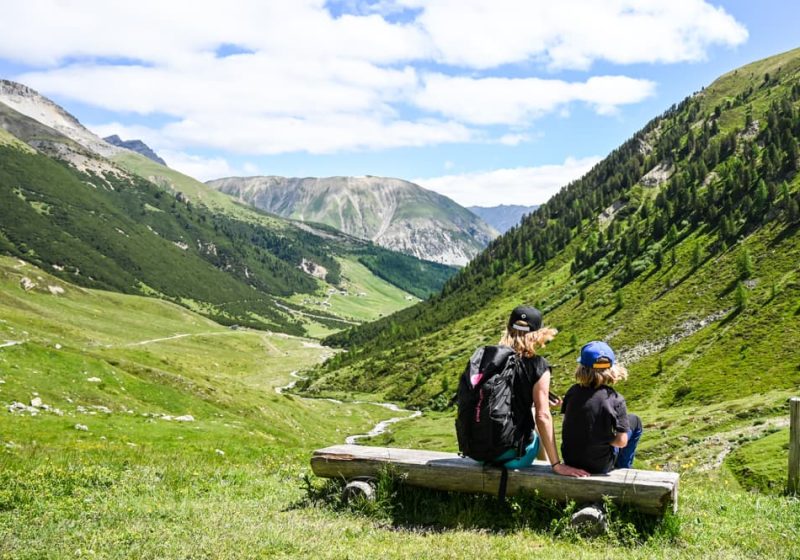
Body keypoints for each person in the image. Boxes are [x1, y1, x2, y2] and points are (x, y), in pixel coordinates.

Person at [492, 306, 589, 477]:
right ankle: (547, 468)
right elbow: (543, 416)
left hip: (479, 451)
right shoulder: (537, 365)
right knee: (537, 416)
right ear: (538, 334)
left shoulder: (488, 357)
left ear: (508, 328)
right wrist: (558, 465)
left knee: (532, 410)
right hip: (513, 457)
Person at [560, 341, 643, 474]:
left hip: (571, 461)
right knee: (635, 421)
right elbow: (621, 442)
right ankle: (624, 468)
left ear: (582, 367)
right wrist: (607, 439)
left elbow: (570, 424)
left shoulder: (572, 391)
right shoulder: (615, 399)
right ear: (611, 368)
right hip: (600, 466)